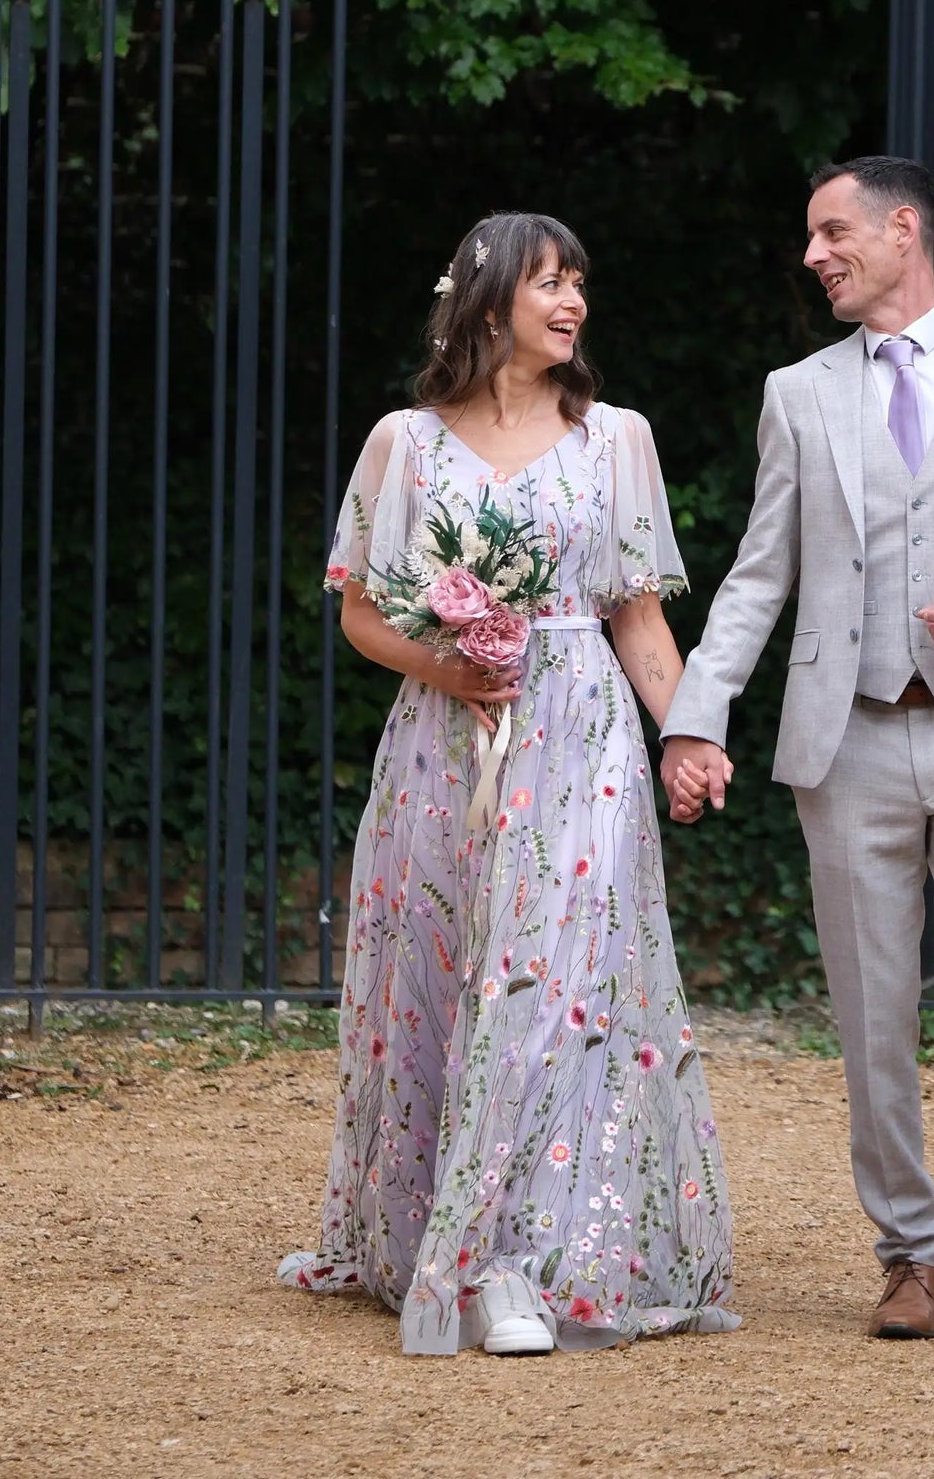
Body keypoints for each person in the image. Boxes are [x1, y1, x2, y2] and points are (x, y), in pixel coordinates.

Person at [661, 156, 934, 1348]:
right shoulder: (796, 393)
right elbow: (760, 577)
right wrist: (695, 713)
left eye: (829, 232)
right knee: (873, 1017)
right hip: (844, 743)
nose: (812, 256)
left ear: (900, 229)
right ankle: (908, 1260)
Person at [279, 211, 738, 1358]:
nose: (573, 301)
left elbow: (636, 615)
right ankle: (437, 1233)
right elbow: (357, 610)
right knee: (437, 978)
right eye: (548, 281)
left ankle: (523, 1261)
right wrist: (451, 659)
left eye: (579, 280)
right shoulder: (403, 443)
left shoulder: (616, 439)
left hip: (580, 736)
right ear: (486, 301)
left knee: (559, 985)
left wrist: (688, 735)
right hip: (444, 747)